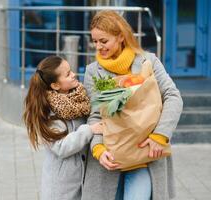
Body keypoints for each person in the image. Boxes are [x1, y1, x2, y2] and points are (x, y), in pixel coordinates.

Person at [82, 10, 183, 200]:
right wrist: (98, 149)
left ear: (121, 37)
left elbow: (173, 96)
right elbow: (96, 115)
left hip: (145, 156)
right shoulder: (92, 71)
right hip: (109, 161)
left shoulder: (148, 61)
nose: (98, 47)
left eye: (103, 41)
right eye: (94, 41)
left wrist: (160, 135)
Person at [23, 55, 103, 200]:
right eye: (68, 74)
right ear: (55, 85)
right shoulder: (48, 112)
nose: (74, 75)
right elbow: (61, 147)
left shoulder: (77, 100)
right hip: (61, 189)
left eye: (71, 70)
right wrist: (90, 130)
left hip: (79, 181)